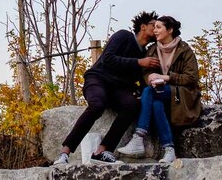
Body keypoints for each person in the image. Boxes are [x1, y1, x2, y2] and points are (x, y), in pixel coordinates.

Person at [54, 11, 160, 165]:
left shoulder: (144, 54)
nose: (156, 29)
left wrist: (143, 92)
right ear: (143, 27)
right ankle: (65, 153)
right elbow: (108, 58)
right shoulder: (124, 36)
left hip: (117, 89)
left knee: (133, 105)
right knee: (97, 105)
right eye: (153, 25)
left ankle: (102, 152)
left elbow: (139, 80)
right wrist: (139, 62)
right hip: (97, 79)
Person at [116, 15, 202, 164]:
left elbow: (191, 78)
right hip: (159, 93)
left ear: (170, 30)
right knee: (156, 104)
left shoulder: (184, 50)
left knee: (148, 92)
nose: (154, 31)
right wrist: (149, 78)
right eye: (154, 27)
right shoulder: (153, 49)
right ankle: (169, 150)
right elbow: (145, 72)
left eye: (158, 27)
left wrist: (167, 77)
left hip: (181, 95)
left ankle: (138, 138)